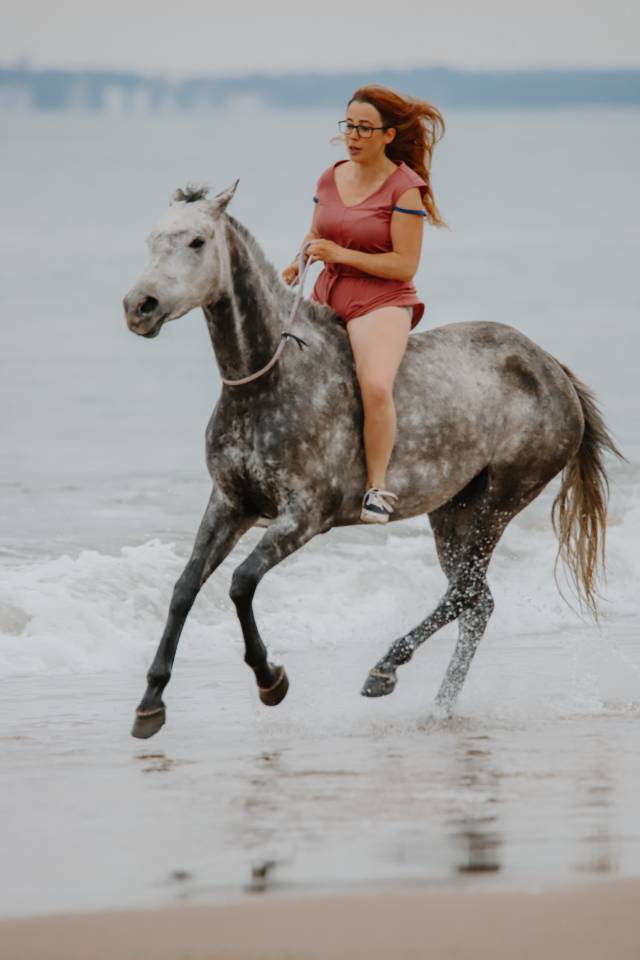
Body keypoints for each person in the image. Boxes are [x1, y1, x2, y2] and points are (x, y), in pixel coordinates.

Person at [282, 84, 447, 524]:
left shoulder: (405, 189)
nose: (353, 136)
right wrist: (298, 262)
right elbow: (317, 232)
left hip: (381, 300)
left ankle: (375, 488)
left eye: (364, 129)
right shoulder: (330, 177)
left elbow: (404, 264)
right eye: (349, 126)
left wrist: (341, 254)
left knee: (374, 386)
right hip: (327, 295)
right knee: (281, 374)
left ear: (389, 135)